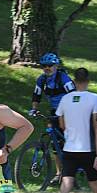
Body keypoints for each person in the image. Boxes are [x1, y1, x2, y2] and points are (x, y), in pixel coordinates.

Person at [53, 68, 97, 193]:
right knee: (96, 186)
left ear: (73, 81)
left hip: (69, 149)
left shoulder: (65, 99)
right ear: (88, 81)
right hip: (88, 150)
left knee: (65, 186)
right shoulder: (95, 98)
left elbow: (61, 124)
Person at [30, 52, 76, 183]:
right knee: (54, 143)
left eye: (50, 65)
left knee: (67, 140)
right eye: (44, 66)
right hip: (54, 111)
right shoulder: (42, 80)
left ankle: (73, 168)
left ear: (56, 66)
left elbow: (73, 94)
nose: (47, 68)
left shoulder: (63, 78)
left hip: (68, 111)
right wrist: (34, 109)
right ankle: (59, 173)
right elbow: (36, 95)